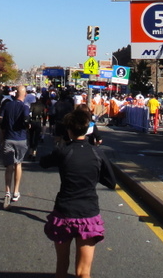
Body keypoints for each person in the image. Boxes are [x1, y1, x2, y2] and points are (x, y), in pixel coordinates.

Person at [40, 106, 117, 278]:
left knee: (61, 267)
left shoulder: (64, 151)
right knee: (83, 271)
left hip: (64, 212)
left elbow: (43, 162)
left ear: (69, 130)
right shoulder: (97, 153)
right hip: (88, 213)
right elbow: (111, 181)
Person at [0, 85, 30, 209]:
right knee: (18, 164)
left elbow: (1, 122)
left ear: (15, 94)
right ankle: (15, 191)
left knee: (9, 166)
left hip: (8, 137)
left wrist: (1, 139)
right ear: (25, 95)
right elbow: (27, 120)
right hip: (21, 139)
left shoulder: (7, 106)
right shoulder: (25, 107)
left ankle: (7, 190)